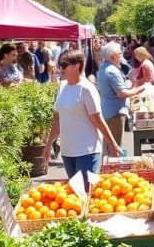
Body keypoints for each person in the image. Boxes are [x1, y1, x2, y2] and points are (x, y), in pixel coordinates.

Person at [43, 49, 120, 189]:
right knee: (76, 193)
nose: (60, 68)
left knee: (88, 191)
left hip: (87, 151)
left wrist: (112, 143)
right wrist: (48, 144)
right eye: (59, 65)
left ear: (77, 66)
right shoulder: (63, 86)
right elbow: (58, 118)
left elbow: (98, 119)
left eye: (64, 65)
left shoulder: (87, 89)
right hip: (67, 151)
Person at [96, 42, 148, 147]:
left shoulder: (104, 67)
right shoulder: (112, 71)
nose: (122, 55)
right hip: (115, 113)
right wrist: (142, 88)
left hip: (109, 110)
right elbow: (122, 93)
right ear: (112, 55)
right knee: (115, 146)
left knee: (111, 144)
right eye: (119, 53)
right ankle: (114, 162)